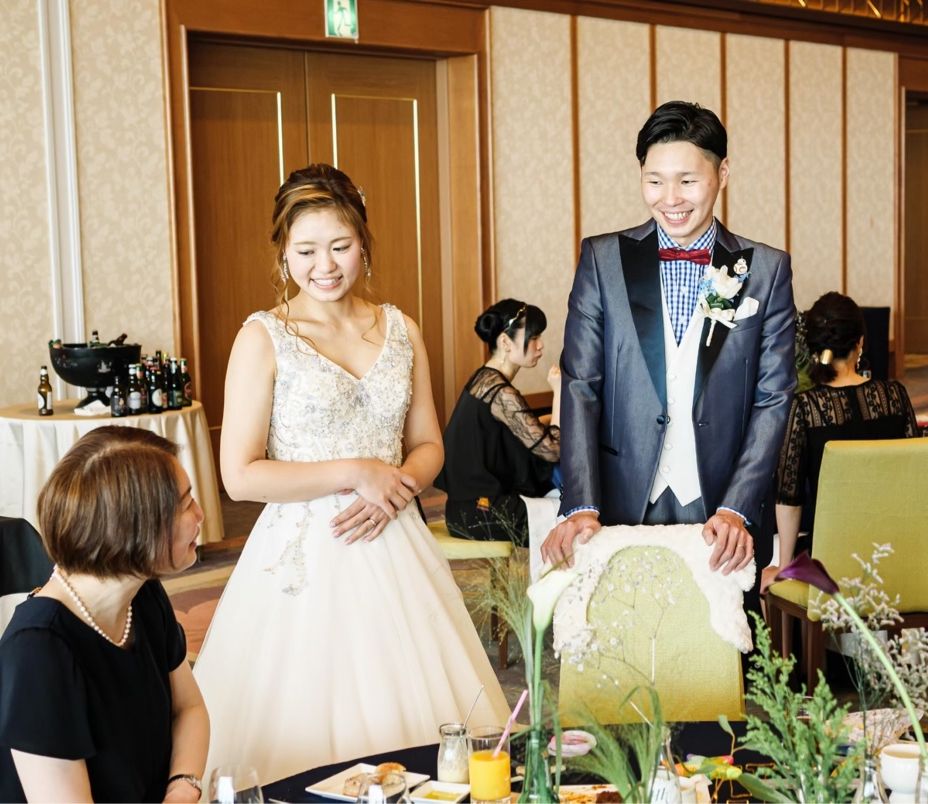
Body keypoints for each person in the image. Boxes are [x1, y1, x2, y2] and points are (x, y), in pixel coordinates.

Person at [193, 164, 508, 784]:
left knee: (421, 721)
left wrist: (396, 487)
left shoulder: (400, 328)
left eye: (340, 246)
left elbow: (428, 445)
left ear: (364, 243)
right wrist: (357, 471)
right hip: (305, 553)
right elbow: (240, 476)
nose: (325, 265)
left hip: (394, 537)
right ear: (283, 253)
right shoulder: (264, 337)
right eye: (306, 250)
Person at [542, 100, 797, 594]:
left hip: (722, 510)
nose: (670, 198)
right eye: (655, 180)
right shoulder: (602, 259)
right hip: (619, 501)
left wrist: (737, 505)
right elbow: (580, 386)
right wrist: (582, 503)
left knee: (726, 637)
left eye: (688, 180)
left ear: (722, 174)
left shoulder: (767, 270)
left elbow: (774, 398)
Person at [0, 427, 209, 803]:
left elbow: (189, 709)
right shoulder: (38, 651)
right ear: (135, 527)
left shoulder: (142, 596)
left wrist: (181, 789)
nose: (201, 514)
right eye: (185, 503)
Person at [760, 292, 918, 593]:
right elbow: (915, 480)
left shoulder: (806, 408)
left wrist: (784, 566)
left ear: (812, 347)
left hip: (831, 561)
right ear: (860, 342)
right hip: (895, 554)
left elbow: (789, 496)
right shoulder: (895, 396)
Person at [435, 298, 560, 546]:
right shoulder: (499, 392)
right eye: (533, 337)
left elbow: (512, 429)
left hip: (465, 510)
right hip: (483, 513)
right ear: (505, 342)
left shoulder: (484, 380)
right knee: (570, 514)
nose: (540, 345)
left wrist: (543, 421)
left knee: (563, 505)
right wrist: (558, 392)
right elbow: (553, 449)